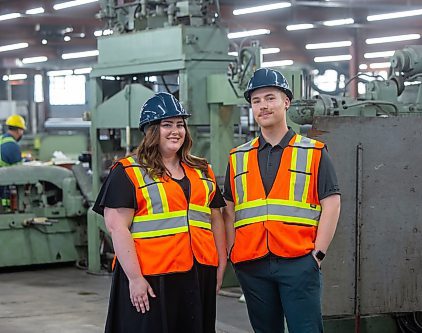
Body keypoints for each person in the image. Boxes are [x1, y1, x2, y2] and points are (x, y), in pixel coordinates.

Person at [93, 92, 227, 333]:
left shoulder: (201, 170)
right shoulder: (128, 172)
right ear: (151, 131)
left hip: (198, 272)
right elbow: (117, 226)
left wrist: (220, 264)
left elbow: (215, 217)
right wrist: (135, 279)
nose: (175, 131)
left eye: (180, 125)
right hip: (152, 276)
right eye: (167, 125)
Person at [222, 68, 341, 333]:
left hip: (299, 262)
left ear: (286, 102)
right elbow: (228, 207)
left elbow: (331, 203)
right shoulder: (237, 157)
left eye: (270, 98)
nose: (263, 106)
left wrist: (317, 254)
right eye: (256, 101)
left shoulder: (313, 152)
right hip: (252, 264)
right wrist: (233, 251)